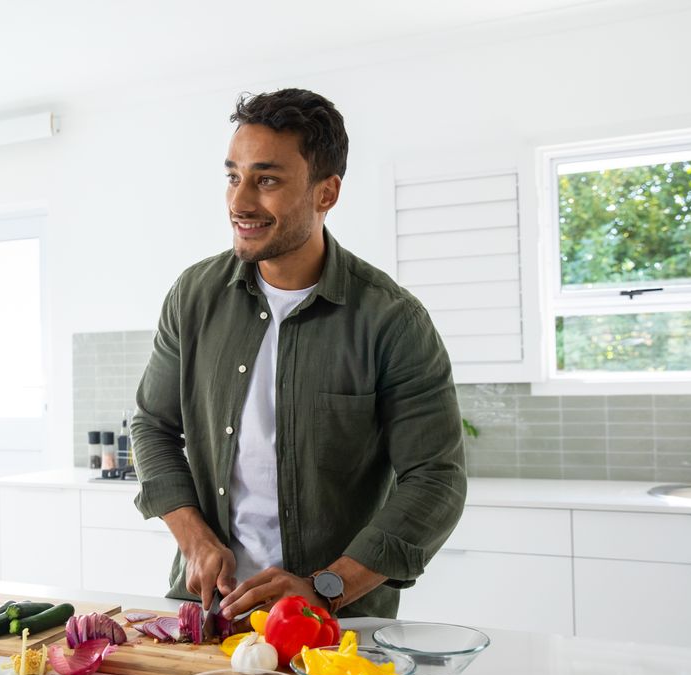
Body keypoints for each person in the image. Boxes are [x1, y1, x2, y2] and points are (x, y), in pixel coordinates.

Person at [131, 88, 466, 621]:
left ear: (325, 193)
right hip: (209, 611)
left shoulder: (391, 319)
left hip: (338, 620)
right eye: (233, 176)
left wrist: (327, 586)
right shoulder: (194, 296)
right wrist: (192, 537)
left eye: (266, 180)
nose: (240, 202)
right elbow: (151, 425)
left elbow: (436, 480)